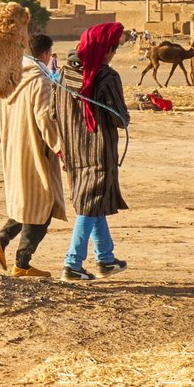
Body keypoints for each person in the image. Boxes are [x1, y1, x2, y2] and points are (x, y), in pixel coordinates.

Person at [0, 33, 67, 278]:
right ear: (45, 54)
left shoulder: (5, 77)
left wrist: (0, 136)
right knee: (42, 207)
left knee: (26, 203)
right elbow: (44, 118)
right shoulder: (40, 80)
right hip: (35, 152)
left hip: (12, 150)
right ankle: (22, 263)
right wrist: (59, 147)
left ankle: (0, 242)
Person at [55, 22, 131, 281]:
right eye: (113, 48)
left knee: (93, 202)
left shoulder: (63, 74)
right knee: (89, 207)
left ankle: (106, 260)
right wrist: (125, 118)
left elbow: (55, 113)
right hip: (98, 151)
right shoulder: (107, 77)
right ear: (104, 48)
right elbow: (119, 118)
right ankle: (72, 264)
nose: (114, 54)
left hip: (72, 150)